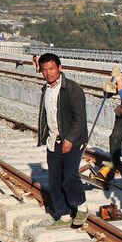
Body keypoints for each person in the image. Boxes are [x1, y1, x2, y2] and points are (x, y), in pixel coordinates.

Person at [36, 53, 89, 227]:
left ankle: (81, 206)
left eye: (51, 68)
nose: (48, 73)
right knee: (55, 179)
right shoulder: (46, 89)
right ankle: (63, 214)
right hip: (54, 140)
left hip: (73, 140)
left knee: (70, 175)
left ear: (60, 68)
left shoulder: (72, 89)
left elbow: (80, 119)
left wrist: (69, 140)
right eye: (44, 70)